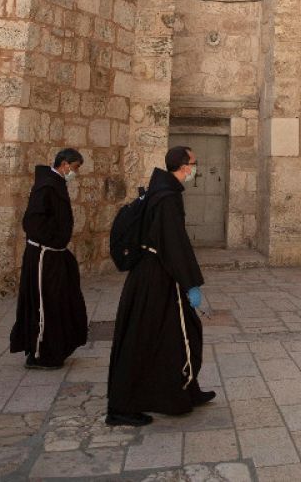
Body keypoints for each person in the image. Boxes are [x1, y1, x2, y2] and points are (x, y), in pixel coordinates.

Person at [105, 146, 217, 427]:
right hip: (156, 278)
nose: (195, 168)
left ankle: (182, 390)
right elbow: (174, 244)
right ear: (182, 166)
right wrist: (191, 283)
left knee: (175, 335)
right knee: (143, 339)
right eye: (193, 163)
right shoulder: (167, 199)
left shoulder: (162, 192)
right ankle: (122, 407)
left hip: (155, 273)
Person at [10, 148, 89, 370]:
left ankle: (55, 347)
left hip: (54, 253)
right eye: (74, 168)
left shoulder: (55, 184)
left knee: (60, 300)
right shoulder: (46, 187)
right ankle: (40, 353)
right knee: (45, 303)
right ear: (64, 164)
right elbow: (32, 223)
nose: (75, 173)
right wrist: (53, 240)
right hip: (44, 255)